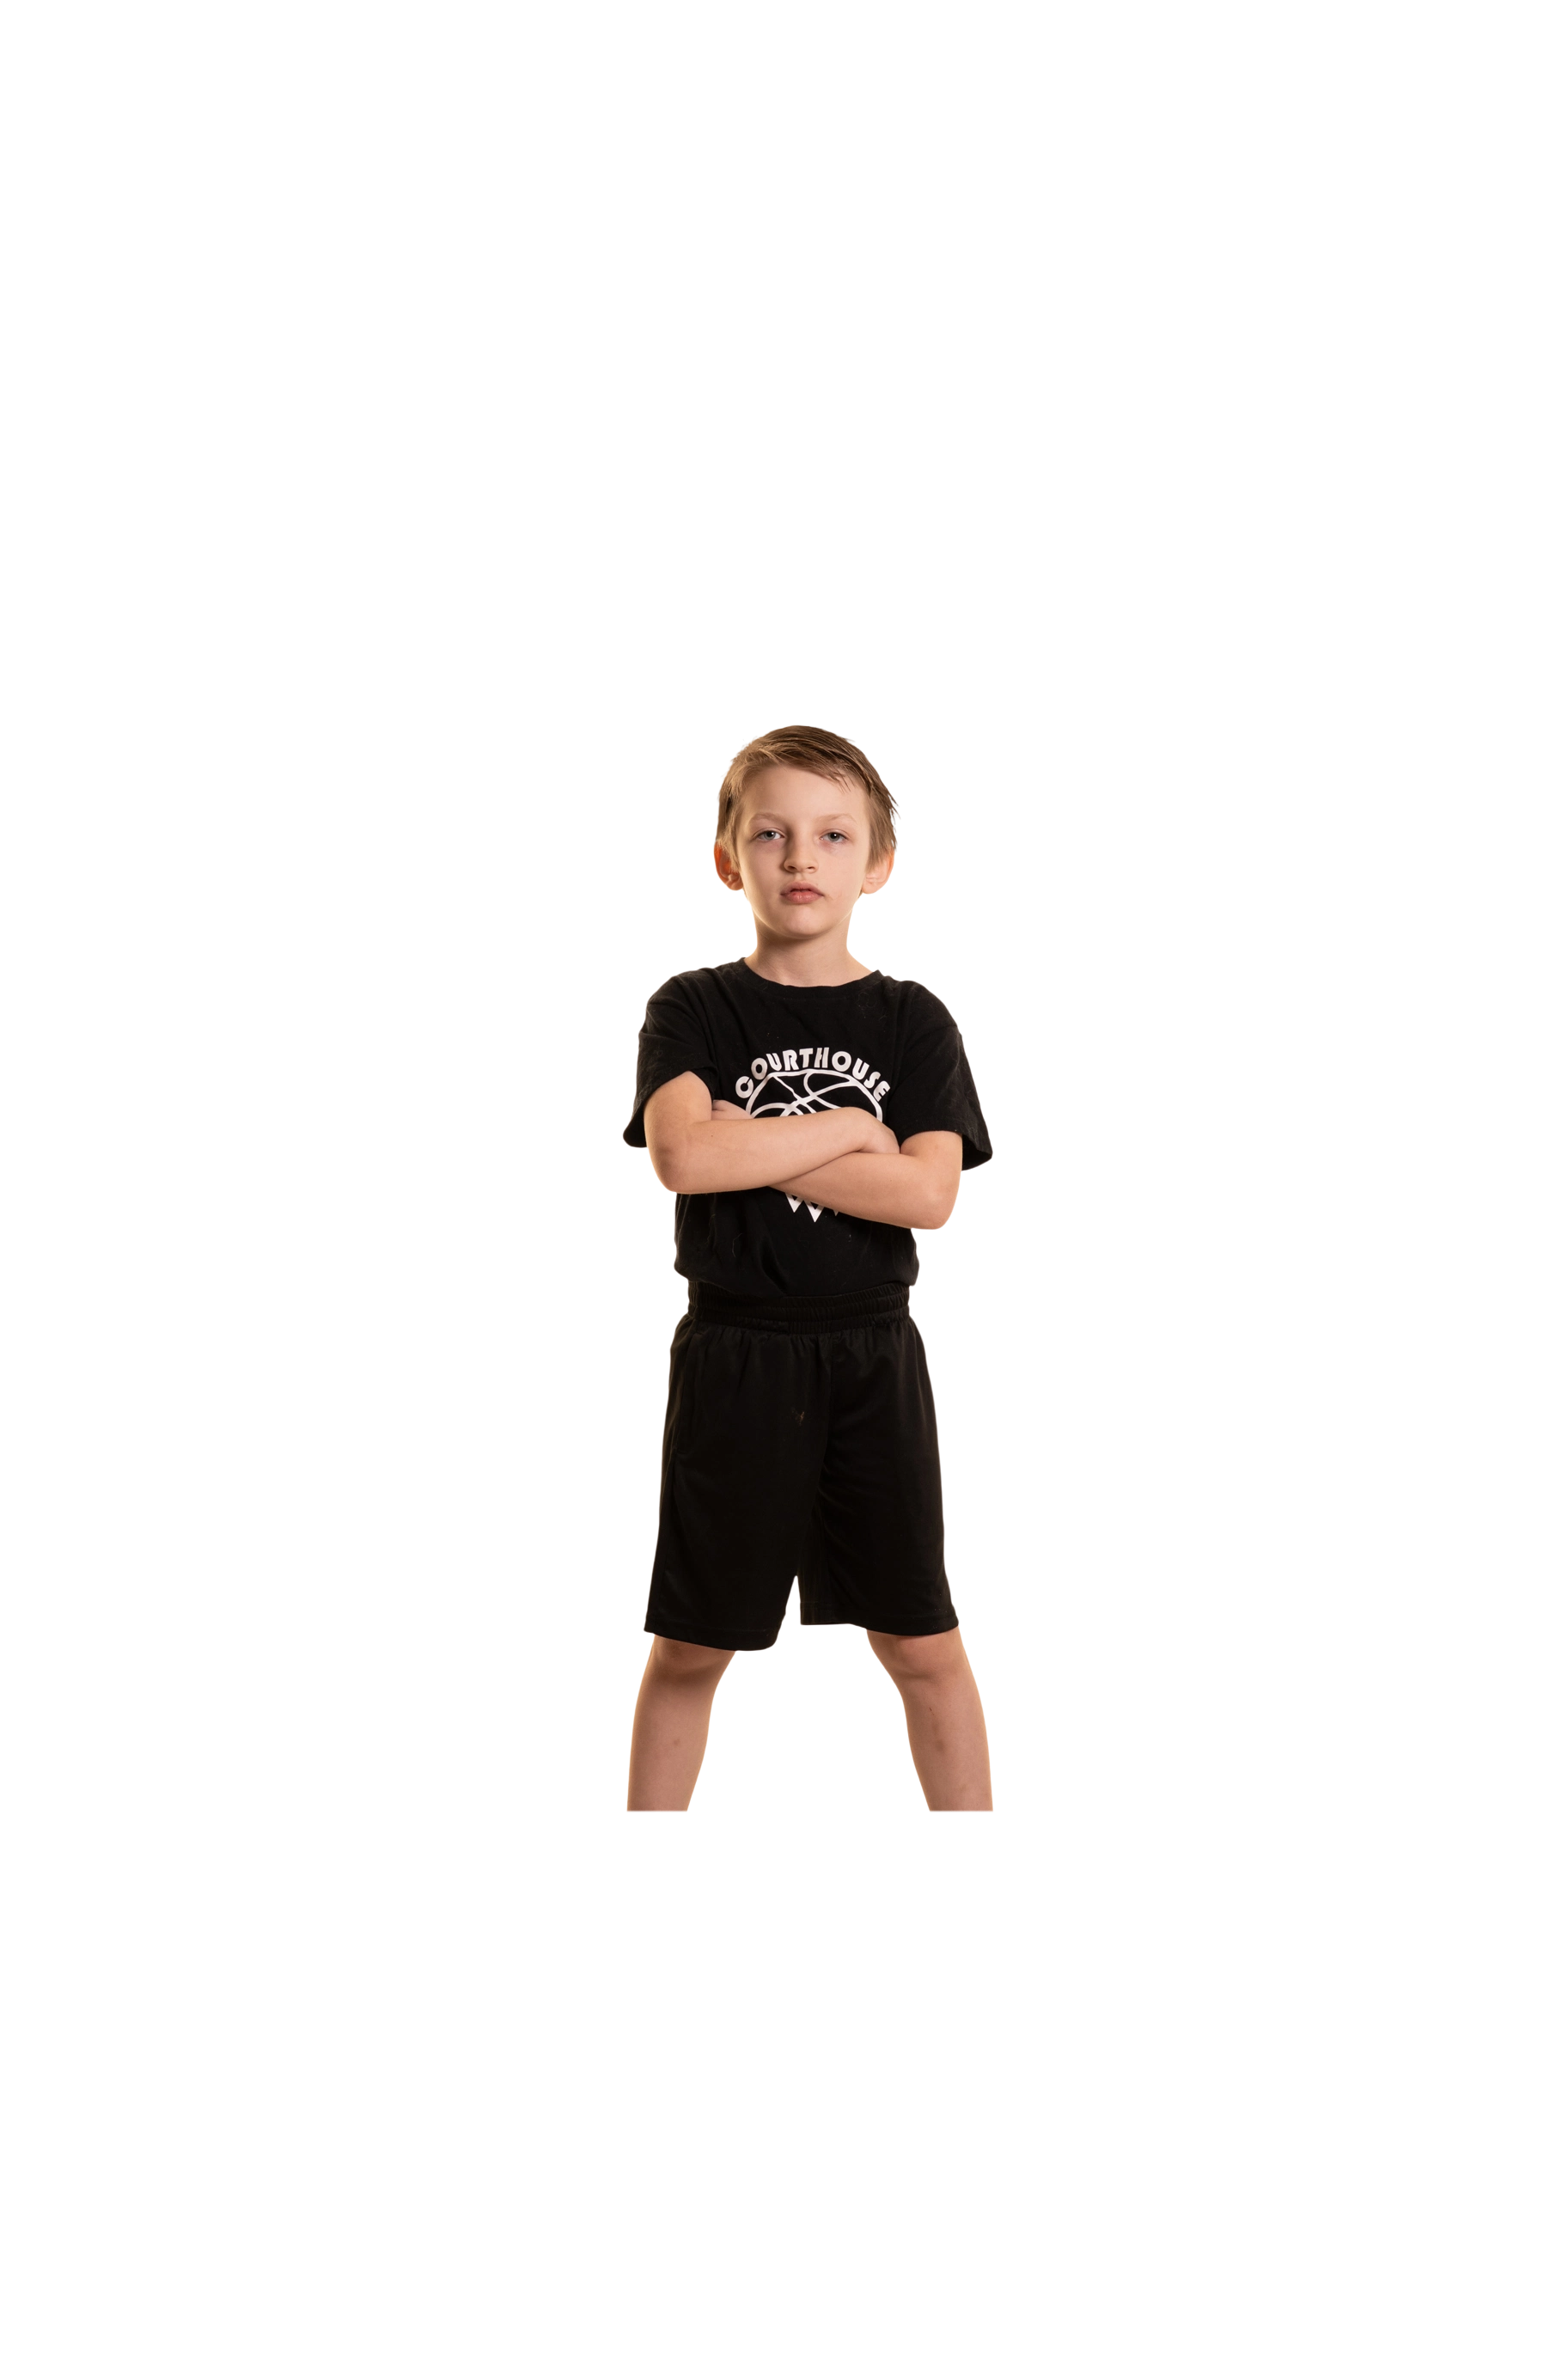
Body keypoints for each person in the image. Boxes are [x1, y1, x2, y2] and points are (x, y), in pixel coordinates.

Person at [622, 725, 995, 1812]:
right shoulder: (691, 1006)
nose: (800, 856)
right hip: (734, 1357)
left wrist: (756, 1140)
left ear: (877, 863)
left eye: (834, 835)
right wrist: (850, 1128)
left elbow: (928, 1193)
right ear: (726, 858)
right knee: (691, 1645)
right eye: (769, 833)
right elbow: (685, 1158)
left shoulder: (912, 1018)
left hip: (873, 1358)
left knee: (921, 1640)